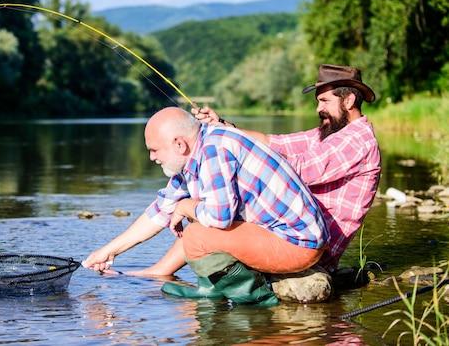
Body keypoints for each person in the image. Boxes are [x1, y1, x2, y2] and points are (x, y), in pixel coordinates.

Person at [83, 107, 328, 304]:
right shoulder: (194, 157)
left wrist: (187, 206)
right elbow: (159, 211)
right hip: (284, 237)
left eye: (154, 150)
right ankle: (212, 285)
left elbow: (219, 217)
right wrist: (109, 251)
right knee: (196, 222)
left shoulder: (214, 150)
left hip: (296, 243)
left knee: (197, 233)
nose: (151, 157)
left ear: (179, 144)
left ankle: (253, 297)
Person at [192, 64, 381, 273]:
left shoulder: (356, 140)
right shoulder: (333, 134)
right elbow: (274, 142)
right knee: (212, 211)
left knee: (206, 223)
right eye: (318, 101)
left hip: (309, 248)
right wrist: (225, 127)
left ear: (349, 101)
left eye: (324, 101)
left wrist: (240, 155)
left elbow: (299, 170)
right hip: (293, 235)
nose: (318, 109)